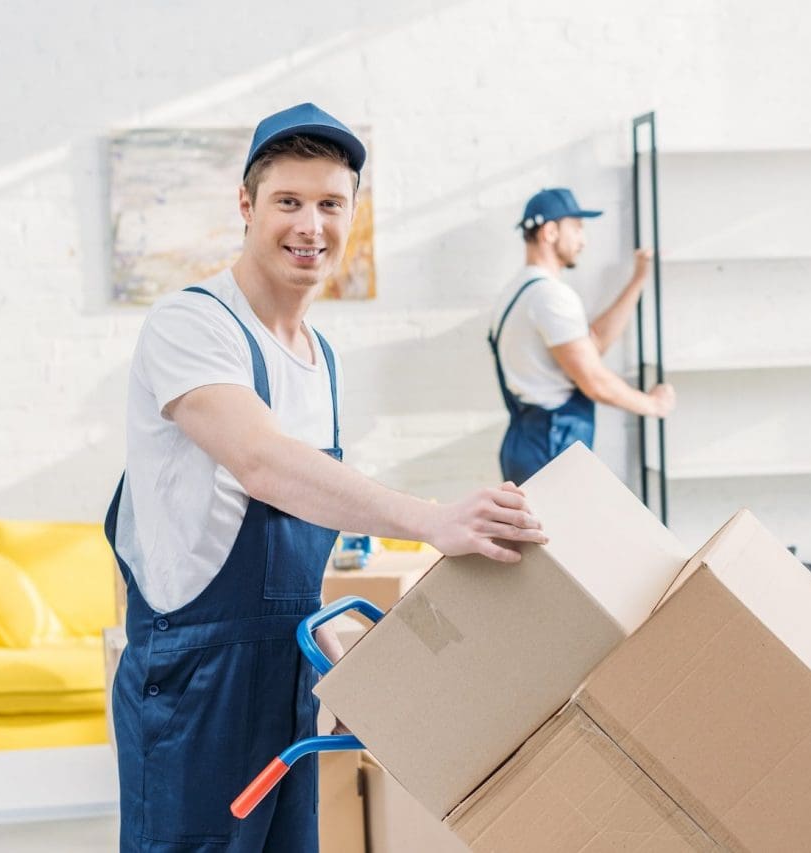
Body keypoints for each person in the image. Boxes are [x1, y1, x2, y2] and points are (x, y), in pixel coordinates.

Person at [104, 103, 547, 853]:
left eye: (330, 204)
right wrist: (434, 519)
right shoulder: (193, 325)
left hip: (283, 678)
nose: (311, 224)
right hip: (195, 684)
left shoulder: (320, 357)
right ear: (246, 207)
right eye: (289, 201)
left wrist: (320, 630)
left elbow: (289, 528)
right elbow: (263, 463)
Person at [489, 187, 676, 483]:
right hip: (551, 445)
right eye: (576, 228)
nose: (583, 240)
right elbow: (593, 381)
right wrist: (652, 405)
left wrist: (639, 279)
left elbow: (592, 344)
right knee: (563, 530)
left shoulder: (519, 290)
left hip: (527, 441)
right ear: (550, 232)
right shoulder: (550, 296)